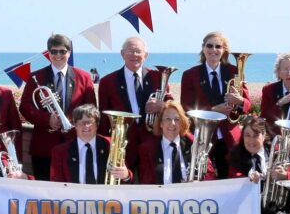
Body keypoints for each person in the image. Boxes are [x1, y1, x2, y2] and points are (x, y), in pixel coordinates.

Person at [19, 34, 96, 180]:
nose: (58, 55)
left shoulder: (84, 77)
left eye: (62, 51)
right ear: (48, 53)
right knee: (45, 191)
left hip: (75, 144)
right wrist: (47, 119)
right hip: (43, 147)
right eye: (54, 51)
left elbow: (91, 109)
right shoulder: (36, 76)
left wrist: (72, 120)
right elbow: (25, 107)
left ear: (69, 53)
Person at [179, 31, 250, 179]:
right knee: (202, 176)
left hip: (229, 136)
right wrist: (212, 111)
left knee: (232, 177)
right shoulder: (190, 74)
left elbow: (247, 105)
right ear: (203, 48)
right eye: (209, 46)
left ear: (224, 50)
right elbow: (186, 107)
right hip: (203, 134)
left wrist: (240, 101)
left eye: (218, 46)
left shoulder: (234, 71)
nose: (213, 50)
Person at [97, 37, 168, 175]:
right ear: (122, 54)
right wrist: (106, 145)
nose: (134, 55)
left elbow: (172, 106)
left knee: (152, 183)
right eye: (130, 51)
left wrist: (162, 105)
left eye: (138, 51)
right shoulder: (107, 81)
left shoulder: (157, 77)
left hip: (153, 141)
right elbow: (104, 118)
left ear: (145, 55)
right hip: (123, 145)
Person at [137, 100, 216, 184]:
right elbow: (146, 183)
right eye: (168, 119)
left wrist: (200, 183)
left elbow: (210, 174)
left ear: (182, 123)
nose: (172, 123)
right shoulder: (147, 149)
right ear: (161, 123)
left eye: (177, 119)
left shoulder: (193, 143)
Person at [50, 104, 132, 184]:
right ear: (75, 125)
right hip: (73, 197)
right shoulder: (60, 151)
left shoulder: (110, 144)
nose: (86, 126)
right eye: (81, 122)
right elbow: (56, 183)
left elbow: (128, 180)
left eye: (89, 122)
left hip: (104, 196)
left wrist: (126, 175)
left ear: (97, 124)